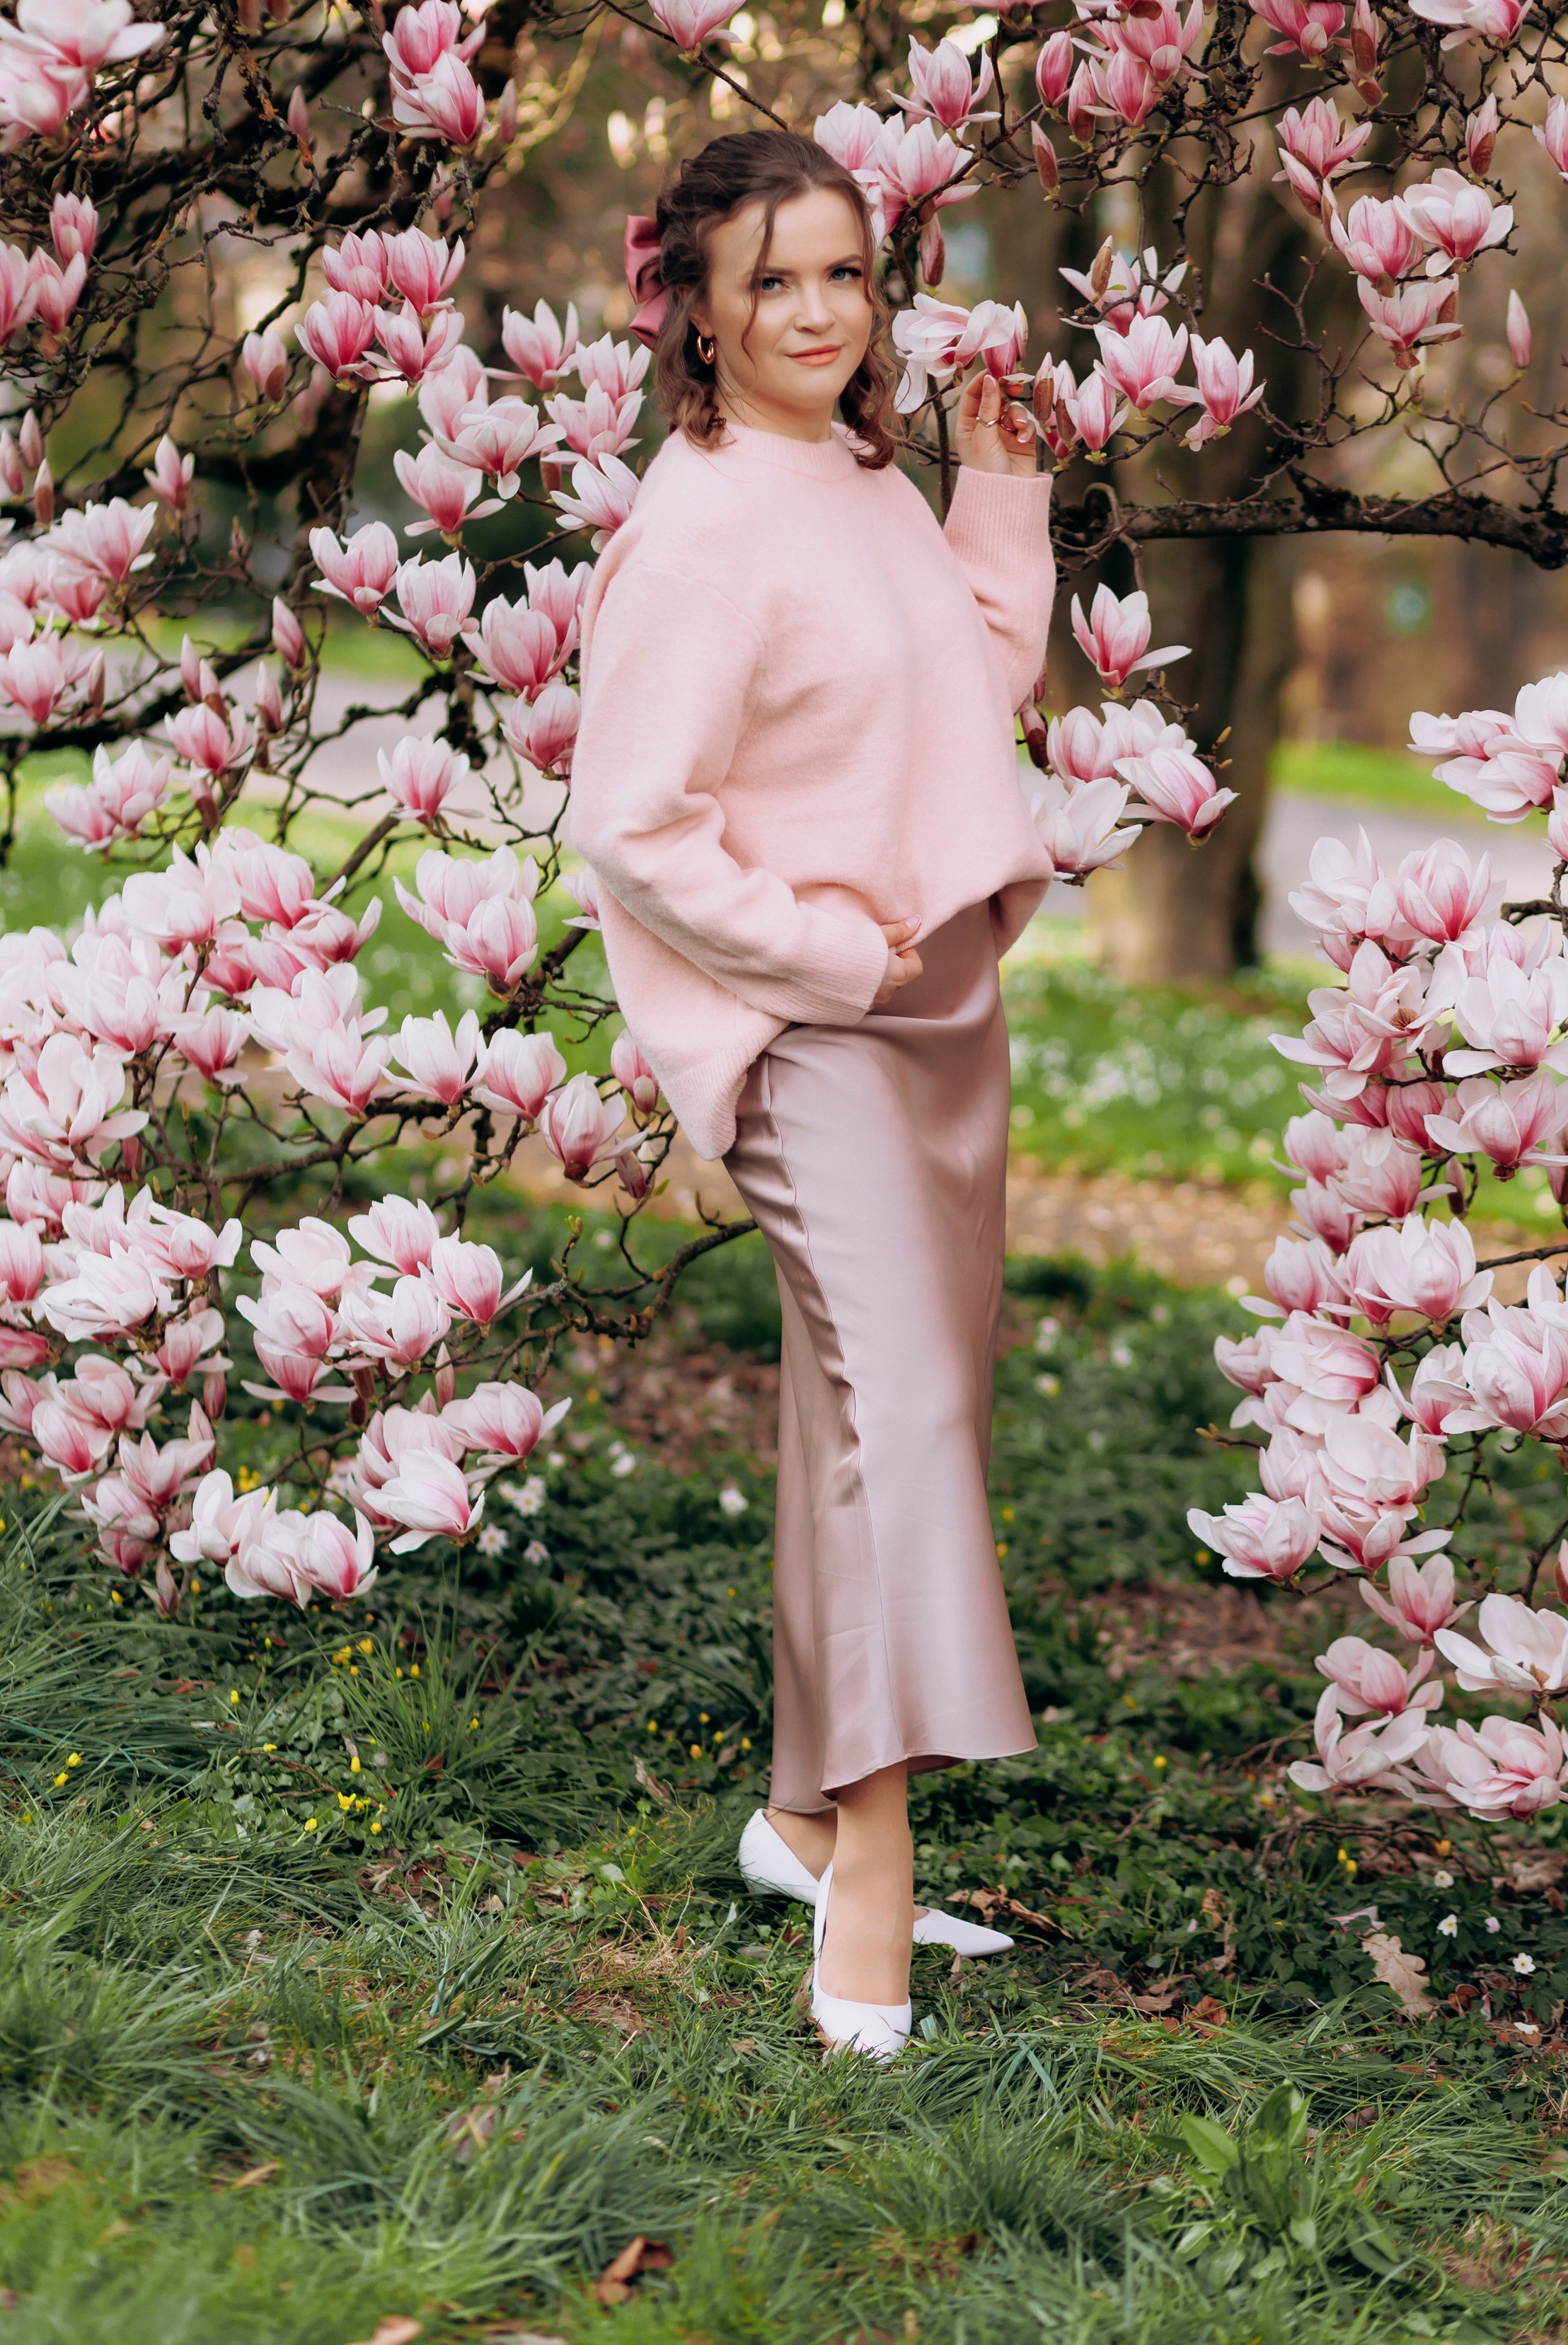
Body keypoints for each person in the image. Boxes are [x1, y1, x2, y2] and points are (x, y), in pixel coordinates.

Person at [568, 128, 1055, 2061]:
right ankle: (867, 1881)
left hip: (939, 1022)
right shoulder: (699, 523)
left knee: (873, 1418)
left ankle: (793, 1809)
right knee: (904, 1419)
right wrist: (836, 958)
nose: (821, 314)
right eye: (774, 280)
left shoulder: (858, 474)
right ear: (689, 301)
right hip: (815, 1030)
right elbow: (632, 824)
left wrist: (1000, 483)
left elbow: (960, 684)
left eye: (846, 273)